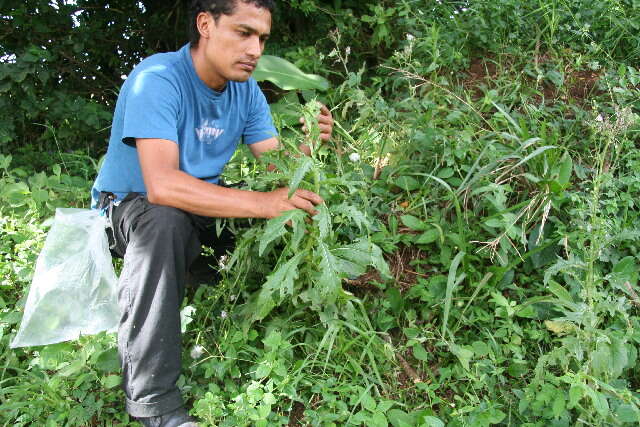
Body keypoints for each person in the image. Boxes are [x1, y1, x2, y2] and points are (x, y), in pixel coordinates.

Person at [90, 0, 334, 425]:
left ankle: (212, 288)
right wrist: (263, 203)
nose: (255, 49)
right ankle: (155, 404)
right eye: (243, 33)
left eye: (262, 38)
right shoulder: (158, 78)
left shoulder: (247, 90)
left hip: (200, 202)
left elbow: (277, 172)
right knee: (165, 222)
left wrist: (311, 147)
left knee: (288, 212)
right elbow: (162, 185)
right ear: (206, 24)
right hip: (130, 205)